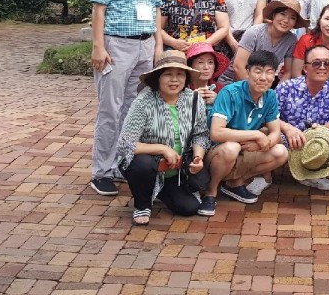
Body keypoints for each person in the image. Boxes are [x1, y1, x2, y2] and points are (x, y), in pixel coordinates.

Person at [89, 0, 163, 197]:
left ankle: (121, 163)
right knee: (111, 109)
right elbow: (99, 9)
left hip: (145, 46)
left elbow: (156, 9)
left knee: (132, 109)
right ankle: (101, 172)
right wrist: (98, 46)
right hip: (117, 45)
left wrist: (157, 45)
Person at [116, 51, 210, 225]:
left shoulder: (194, 99)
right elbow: (124, 144)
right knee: (143, 164)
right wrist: (163, 149)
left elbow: (201, 134)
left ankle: (158, 189)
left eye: (180, 74)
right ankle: (142, 204)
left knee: (189, 208)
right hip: (148, 164)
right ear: (157, 77)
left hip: (177, 169)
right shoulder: (143, 102)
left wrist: (198, 157)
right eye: (168, 74)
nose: (174, 80)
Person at [201, 49, 289, 217]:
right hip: (216, 151)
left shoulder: (270, 96)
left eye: (269, 72)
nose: (263, 77)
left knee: (281, 152)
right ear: (248, 72)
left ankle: (234, 183)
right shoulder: (230, 92)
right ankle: (211, 191)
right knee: (231, 148)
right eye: (258, 71)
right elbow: (216, 133)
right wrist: (256, 136)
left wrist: (262, 143)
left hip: (244, 149)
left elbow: (275, 133)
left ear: (275, 76)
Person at [276, 44, 329, 190]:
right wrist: (288, 129)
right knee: (270, 136)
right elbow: (270, 117)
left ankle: (312, 172)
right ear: (305, 68)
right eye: (316, 63)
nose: (322, 67)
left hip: (317, 139)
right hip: (288, 138)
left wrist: (315, 133)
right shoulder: (286, 87)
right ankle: (263, 176)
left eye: (327, 63)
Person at [225, 0, 305, 84]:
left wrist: (278, 91)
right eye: (282, 14)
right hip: (233, 82)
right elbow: (238, 67)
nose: (286, 20)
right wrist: (255, 90)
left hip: (263, 84)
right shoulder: (254, 33)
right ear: (274, 15)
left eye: (292, 18)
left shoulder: (291, 40)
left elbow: (288, 72)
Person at [291, 3, 329, 81]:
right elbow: (296, 73)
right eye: (327, 19)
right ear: (319, 21)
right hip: (301, 82)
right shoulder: (306, 40)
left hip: (324, 81)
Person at [185, 41, 231, 106]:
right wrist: (189, 101)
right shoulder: (181, 88)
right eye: (200, 62)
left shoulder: (221, 90)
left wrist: (218, 101)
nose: (206, 67)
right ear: (190, 66)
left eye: (210, 62)